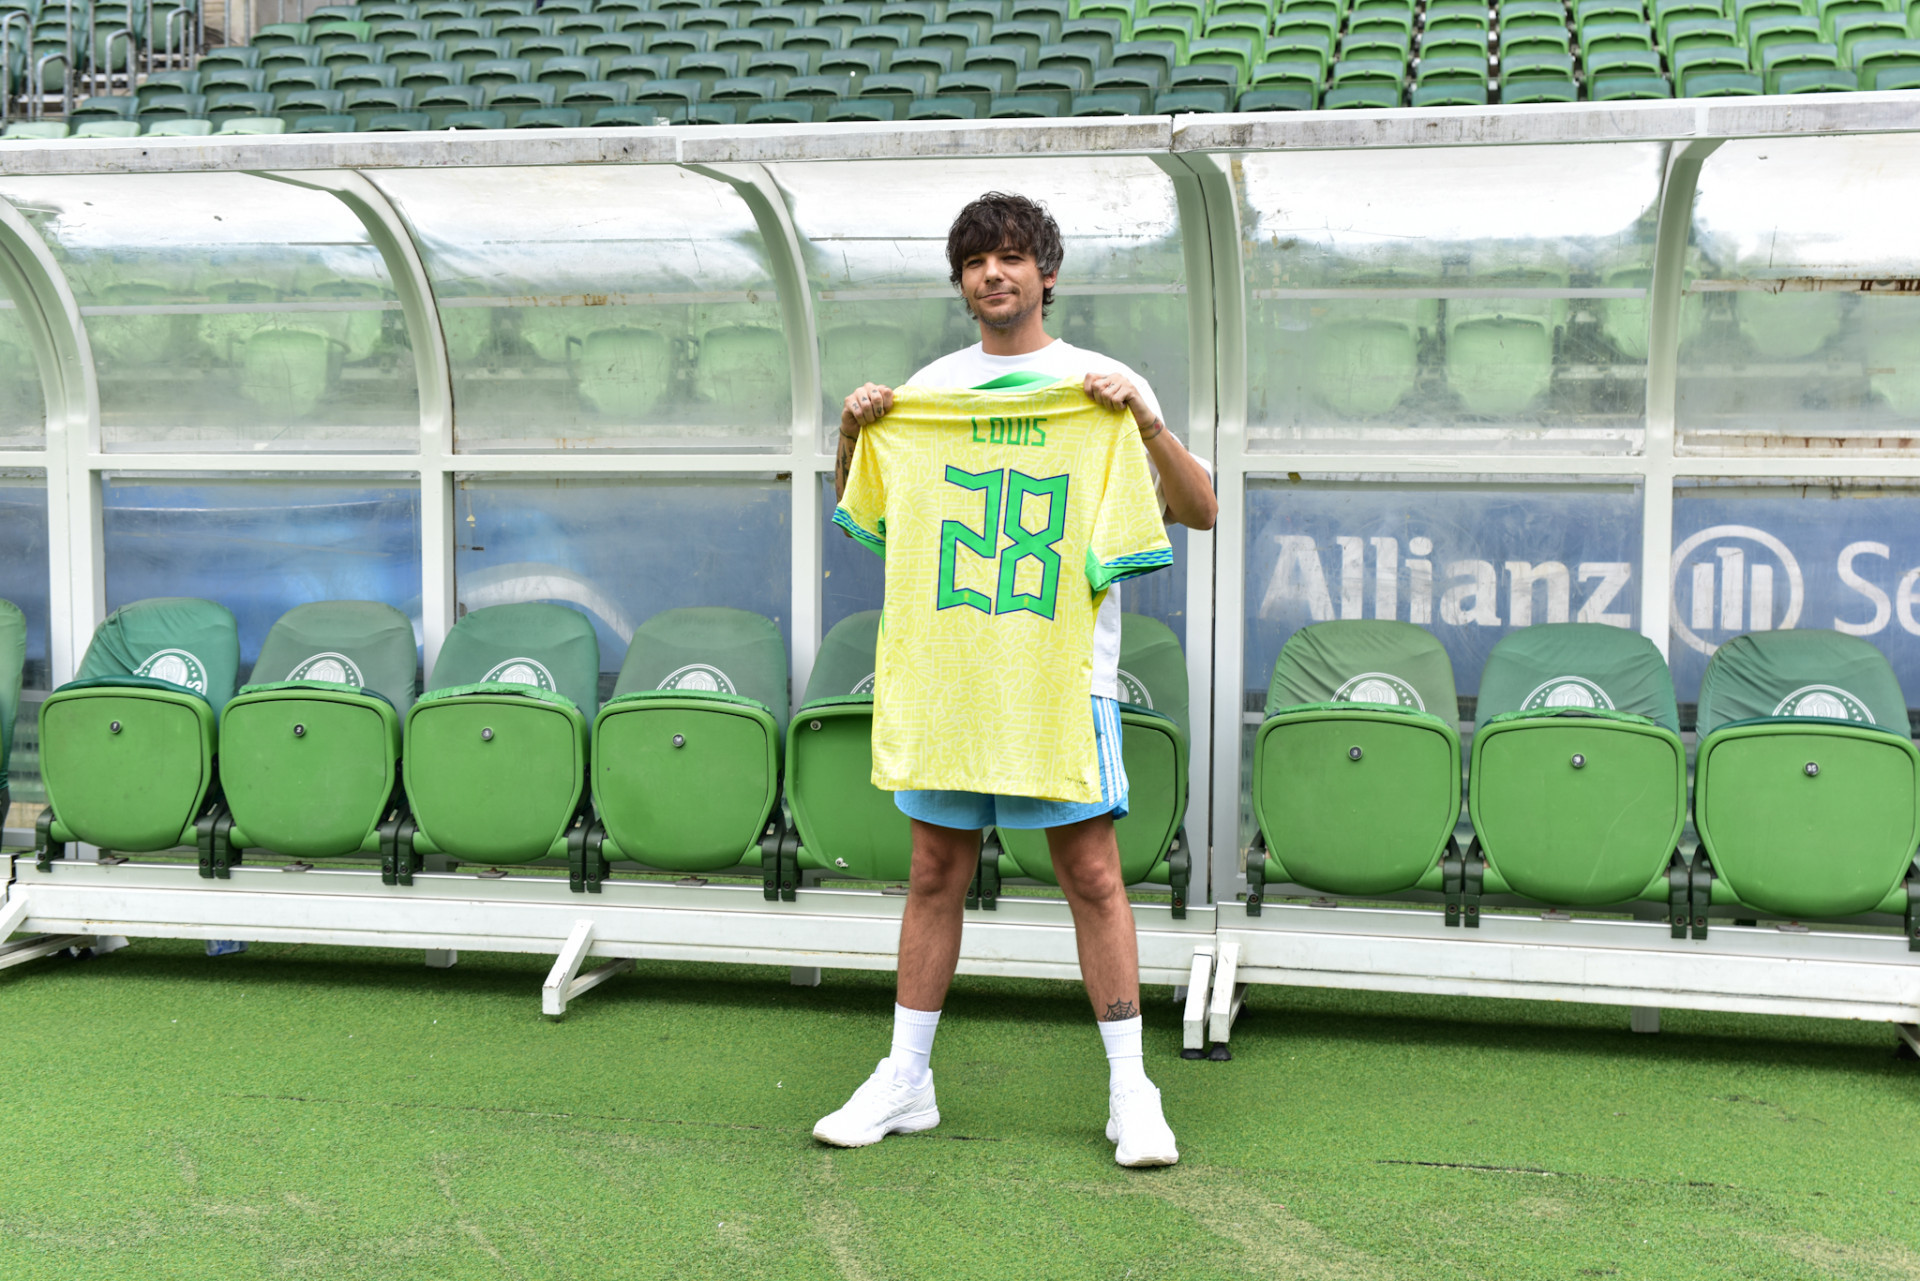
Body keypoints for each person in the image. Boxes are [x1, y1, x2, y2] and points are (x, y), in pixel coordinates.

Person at [813, 192, 1218, 1167]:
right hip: (951, 677)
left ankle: (1133, 1090)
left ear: (1046, 272)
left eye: (1011, 257)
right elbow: (866, 511)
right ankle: (906, 1078)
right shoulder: (928, 390)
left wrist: (1147, 422)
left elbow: (1198, 509)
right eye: (976, 261)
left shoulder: (1101, 386)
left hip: (1062, 677)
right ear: (961, 282)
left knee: (1091, 874)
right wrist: (852, 432)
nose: (994, 274)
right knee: (931, 872)